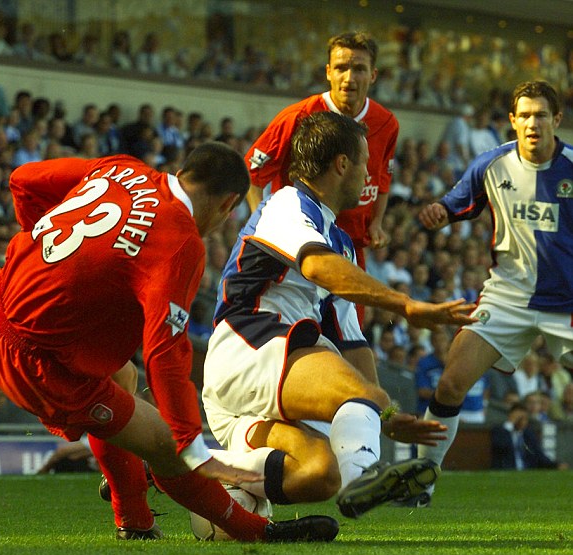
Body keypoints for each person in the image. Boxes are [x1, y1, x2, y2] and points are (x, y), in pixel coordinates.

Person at [0, 142, 337, 543]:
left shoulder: (122, 167)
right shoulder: (180, 242)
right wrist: (190, 444)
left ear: (184, 173)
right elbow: (164, 355)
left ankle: (134, 522)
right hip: (33, 359)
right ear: (228, 204)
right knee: (166, 447)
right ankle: (256, 532)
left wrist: (42, 249)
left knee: (124, 378)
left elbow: (21, 180)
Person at [202, 111, 477, 519]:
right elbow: (314, 266)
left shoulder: (342, 245)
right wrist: (403, 305)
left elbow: (351, 342)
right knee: (362, 397)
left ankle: (191, 469)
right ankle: (362, 478)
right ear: (342, 164)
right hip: (247, 347)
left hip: (264, 386)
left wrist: (382, 414)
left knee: (318, 473)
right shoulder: (287, 203)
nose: (370, 174)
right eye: (365, 162)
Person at [415, 80, 573, 505]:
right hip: (507, 297)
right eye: (524, 115)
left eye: (541, 115)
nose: (532, 123)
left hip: (568, 305)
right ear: (512, 121)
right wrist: (439, 213)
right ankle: (420, 484)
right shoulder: (492, 164)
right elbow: (456, 203)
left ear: (557, 120)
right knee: (449, 384)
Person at [243, 30, 399, 393]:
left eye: (359, 68)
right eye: (342, 67)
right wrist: (265, 226)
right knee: (298, 341)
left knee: (350, 341)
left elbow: (385, 176)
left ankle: (362, 423)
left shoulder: (386, 123)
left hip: (349, 249)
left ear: (373, 75)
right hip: (300, 247)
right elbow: (253, 172)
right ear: (328, 71)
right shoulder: (299, 116)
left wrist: (376, 221)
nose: (350, 77)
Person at [491, 403, 568, 470]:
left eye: (524, 418)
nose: (521, 421)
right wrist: (510, 424)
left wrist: (556, 465)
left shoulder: (528, 434)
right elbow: (500, 447)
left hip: (527, 471)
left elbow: (538, 455)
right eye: (518, 418)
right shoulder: (500, 431)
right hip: (506, 471)